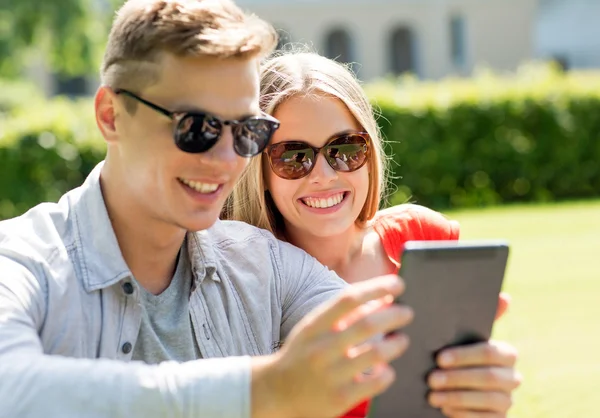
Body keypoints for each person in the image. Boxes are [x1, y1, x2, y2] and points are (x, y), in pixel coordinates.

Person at [0, 1, 417, 417]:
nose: (226, 160)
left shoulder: (264, 264)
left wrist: (462, 377)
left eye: (247, 131)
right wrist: (260, 391)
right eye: (197, 128)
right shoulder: (22, 263)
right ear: (111, 116)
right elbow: (11, 385)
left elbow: (391, 355)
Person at [223, 51, 522, 418]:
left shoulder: (424, 237)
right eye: (292, 156)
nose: (324, 175)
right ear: (260, 174)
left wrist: (480, 398)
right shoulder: (236, 279)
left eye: (345, 149)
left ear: (370, 152)